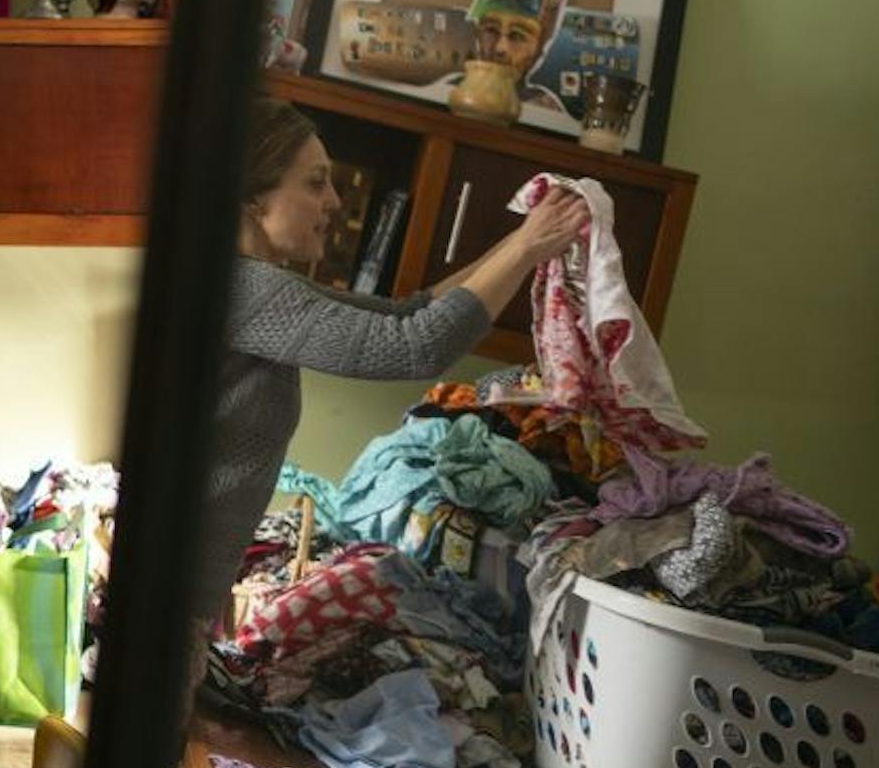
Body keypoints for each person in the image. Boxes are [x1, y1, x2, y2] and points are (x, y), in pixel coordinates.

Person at [194, 99, 588, 631]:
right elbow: (414, 346)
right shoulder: (247, 290)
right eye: (315, 184)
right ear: (252, 199)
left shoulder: (250, 283)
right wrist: (526, 247)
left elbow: (411, 313)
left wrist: (524, 243)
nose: (334, 201)